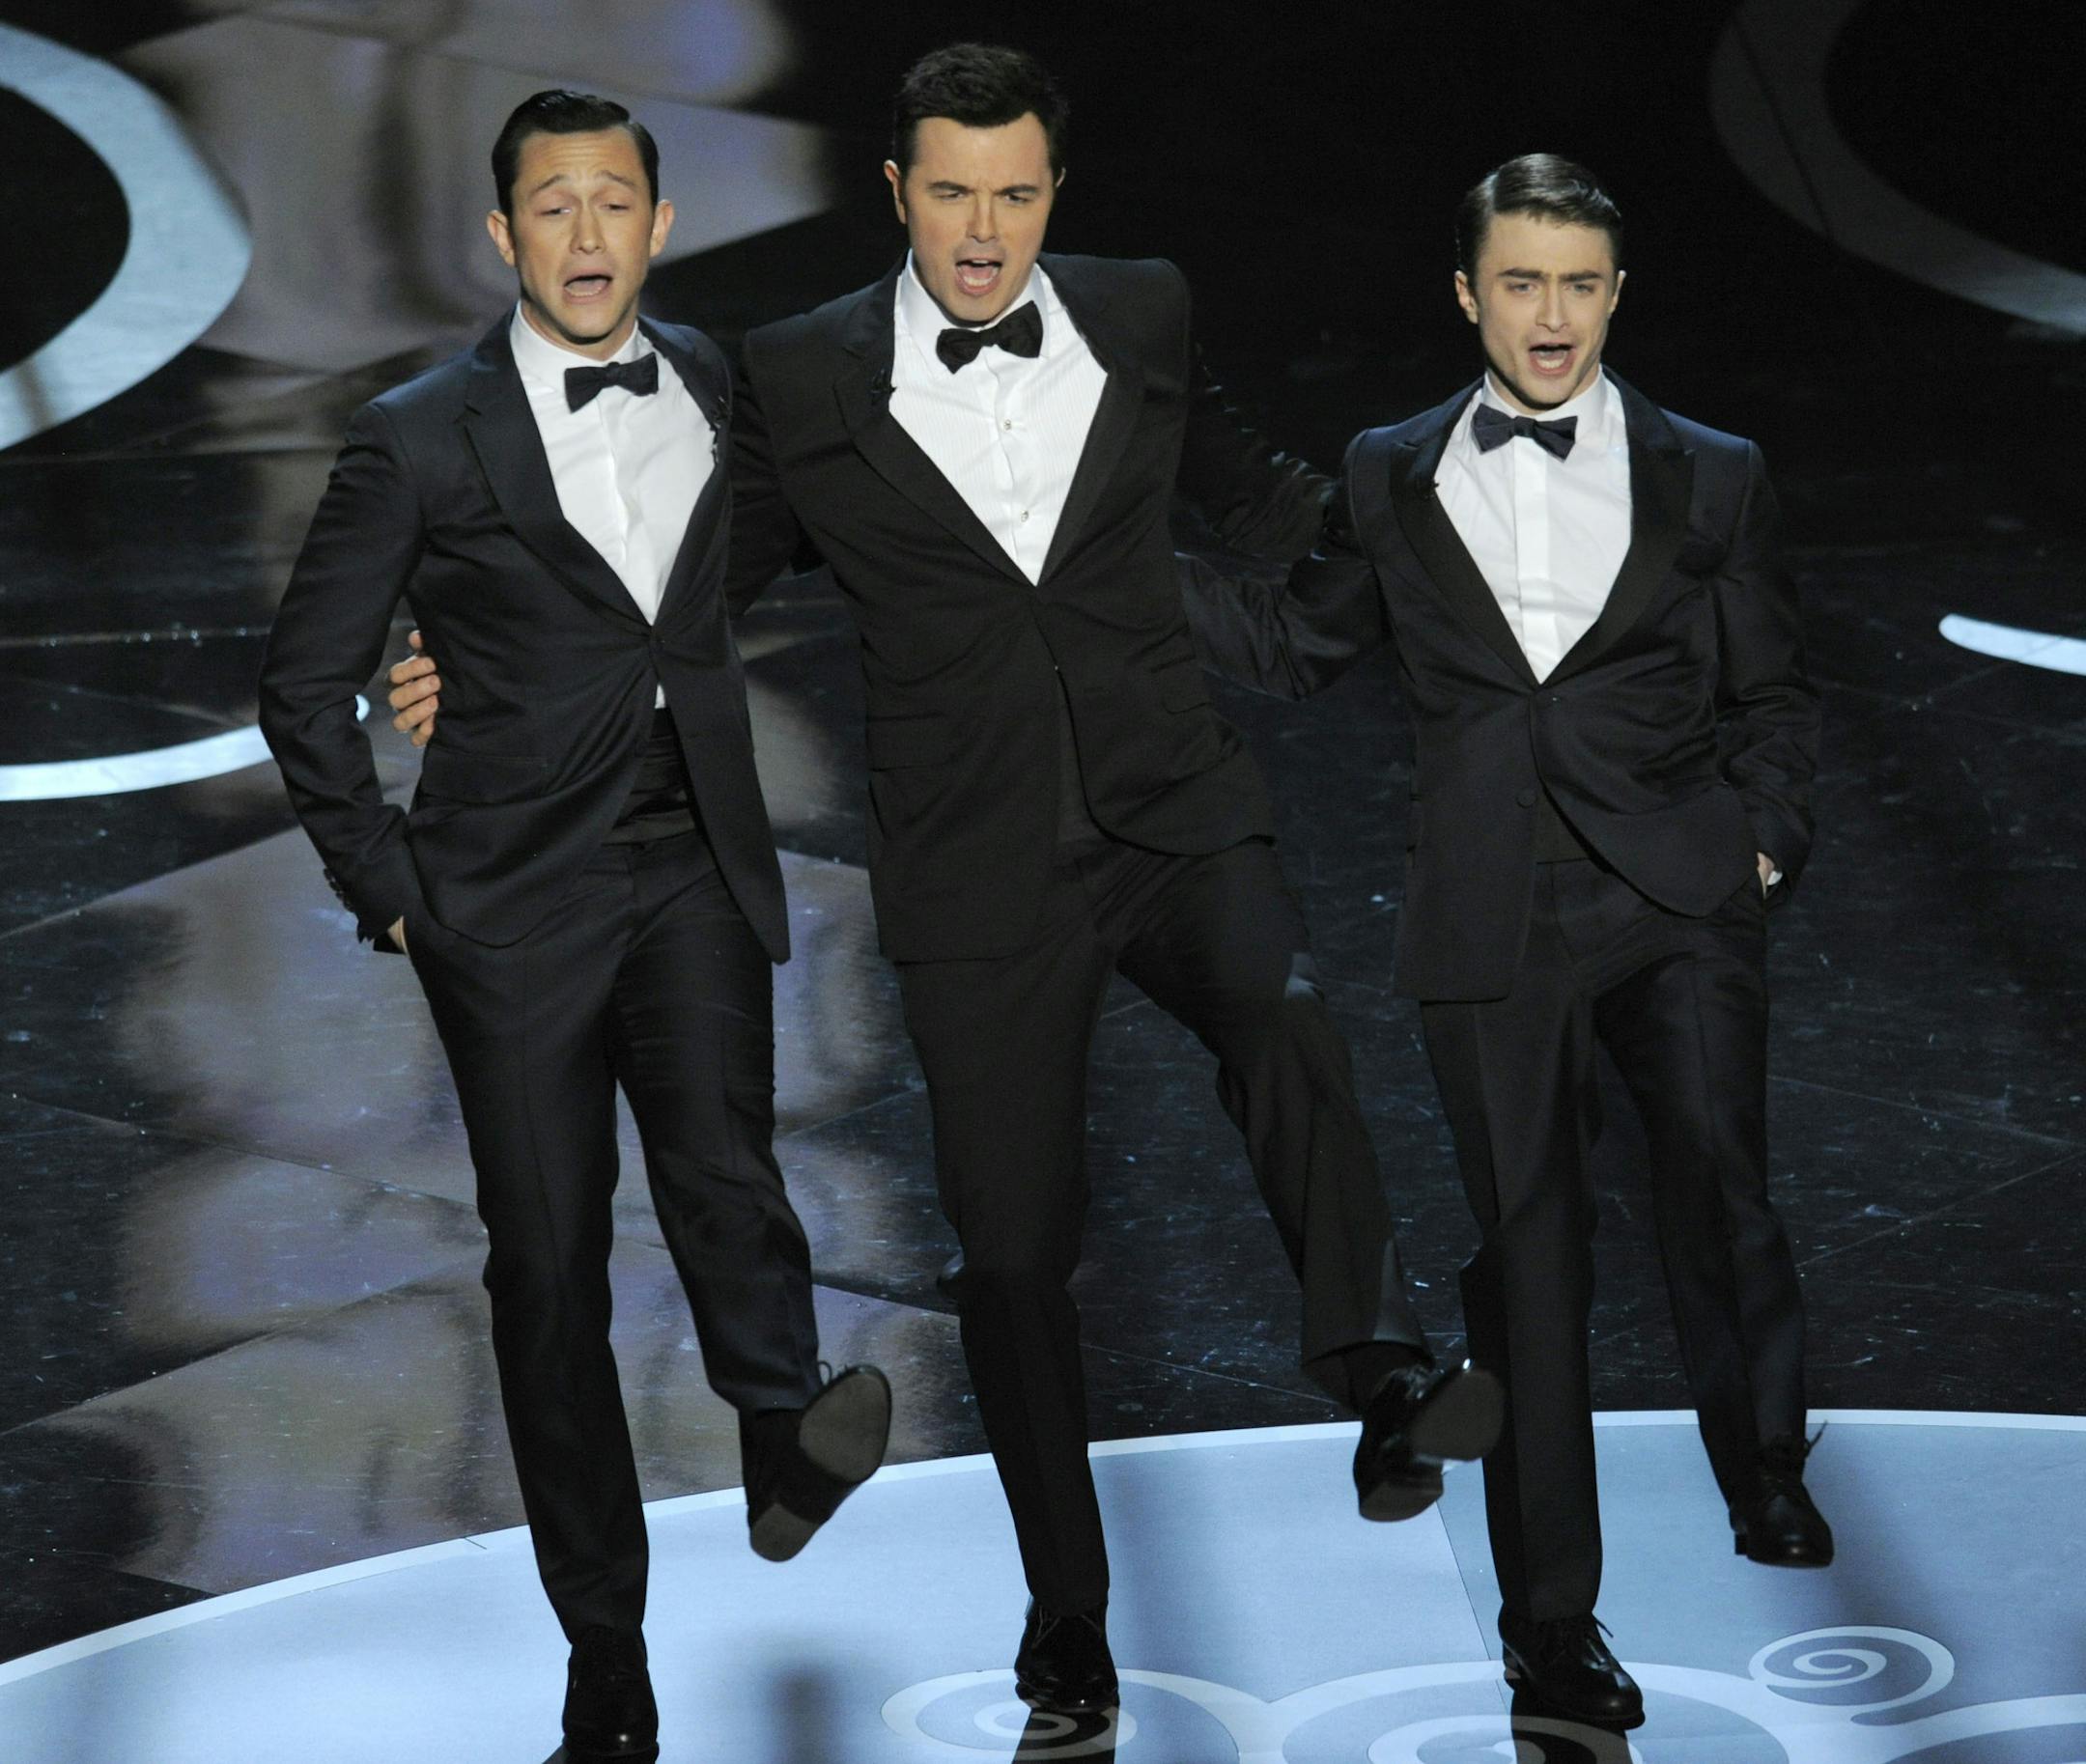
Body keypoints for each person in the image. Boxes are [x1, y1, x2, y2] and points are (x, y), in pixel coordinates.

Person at [389, 44, 1501, 1718]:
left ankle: (1385, 1371)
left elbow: (1252, 489)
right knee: (1005, 1261)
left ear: (1058, 195)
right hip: (979, 868)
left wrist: (1369, 570)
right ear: (899, 189)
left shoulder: (1141, 309)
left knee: (1284, 1026)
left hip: (1171, 808)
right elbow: (685, 583)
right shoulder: (804, 373)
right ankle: (1069, 1624)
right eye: (955, 192)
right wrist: (479, 660)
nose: (986, 234)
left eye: (1020, 193)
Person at [258, 90, 890, 1764]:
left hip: (688, 858)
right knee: (546, 1276)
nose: (589, 234)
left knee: (725, 1158)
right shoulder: (418, 431)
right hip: (510, 903)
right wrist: (388, 892)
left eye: (617, 202)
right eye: (554, 207)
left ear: (662, 226)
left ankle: (777, 1432)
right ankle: (604, 1652)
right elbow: (301, 680)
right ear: (503, 236)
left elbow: (710, 579)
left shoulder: (721, 387)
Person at [1181, 154, 1830, 1728]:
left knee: (1718, 1188)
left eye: (1582, 283)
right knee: (1528, 1259)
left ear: (1619, 292)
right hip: (1491, 908)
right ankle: (1554, 1621)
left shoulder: (1712, 469)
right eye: (1522, 283)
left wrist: (1759, 845)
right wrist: (1118, 561)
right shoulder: (1393, 469)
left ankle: (1762, 1460)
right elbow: (1302, 642)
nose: (1553, 317)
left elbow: (1776, 699)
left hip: (1677, 889)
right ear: (1469, 293)